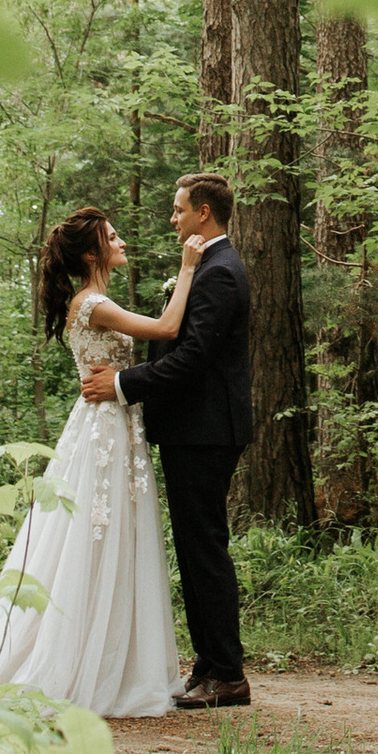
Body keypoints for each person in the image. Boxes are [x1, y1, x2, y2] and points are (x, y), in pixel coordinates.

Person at [0, 206, 198, 716]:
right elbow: (167, 330)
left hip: (113, 424)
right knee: (95, 535)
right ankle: (78, 659)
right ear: (91, 253)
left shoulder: (96, 300)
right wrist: (188, 270)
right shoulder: (93, 303)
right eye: (112, 237)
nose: (122, 242)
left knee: (115, 535)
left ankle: (116, 658)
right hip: (104, 430)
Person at [81, 171, 252, 709]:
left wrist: (124, 384)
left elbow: (193, 358)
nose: (173, 218)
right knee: (196, 548)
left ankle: (227, 673)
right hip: (193, 430)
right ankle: (207, 666)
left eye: (179, 209)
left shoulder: (221, 273)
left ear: (204, 212)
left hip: (206, 431)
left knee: (205, 550)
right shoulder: (209, 266)